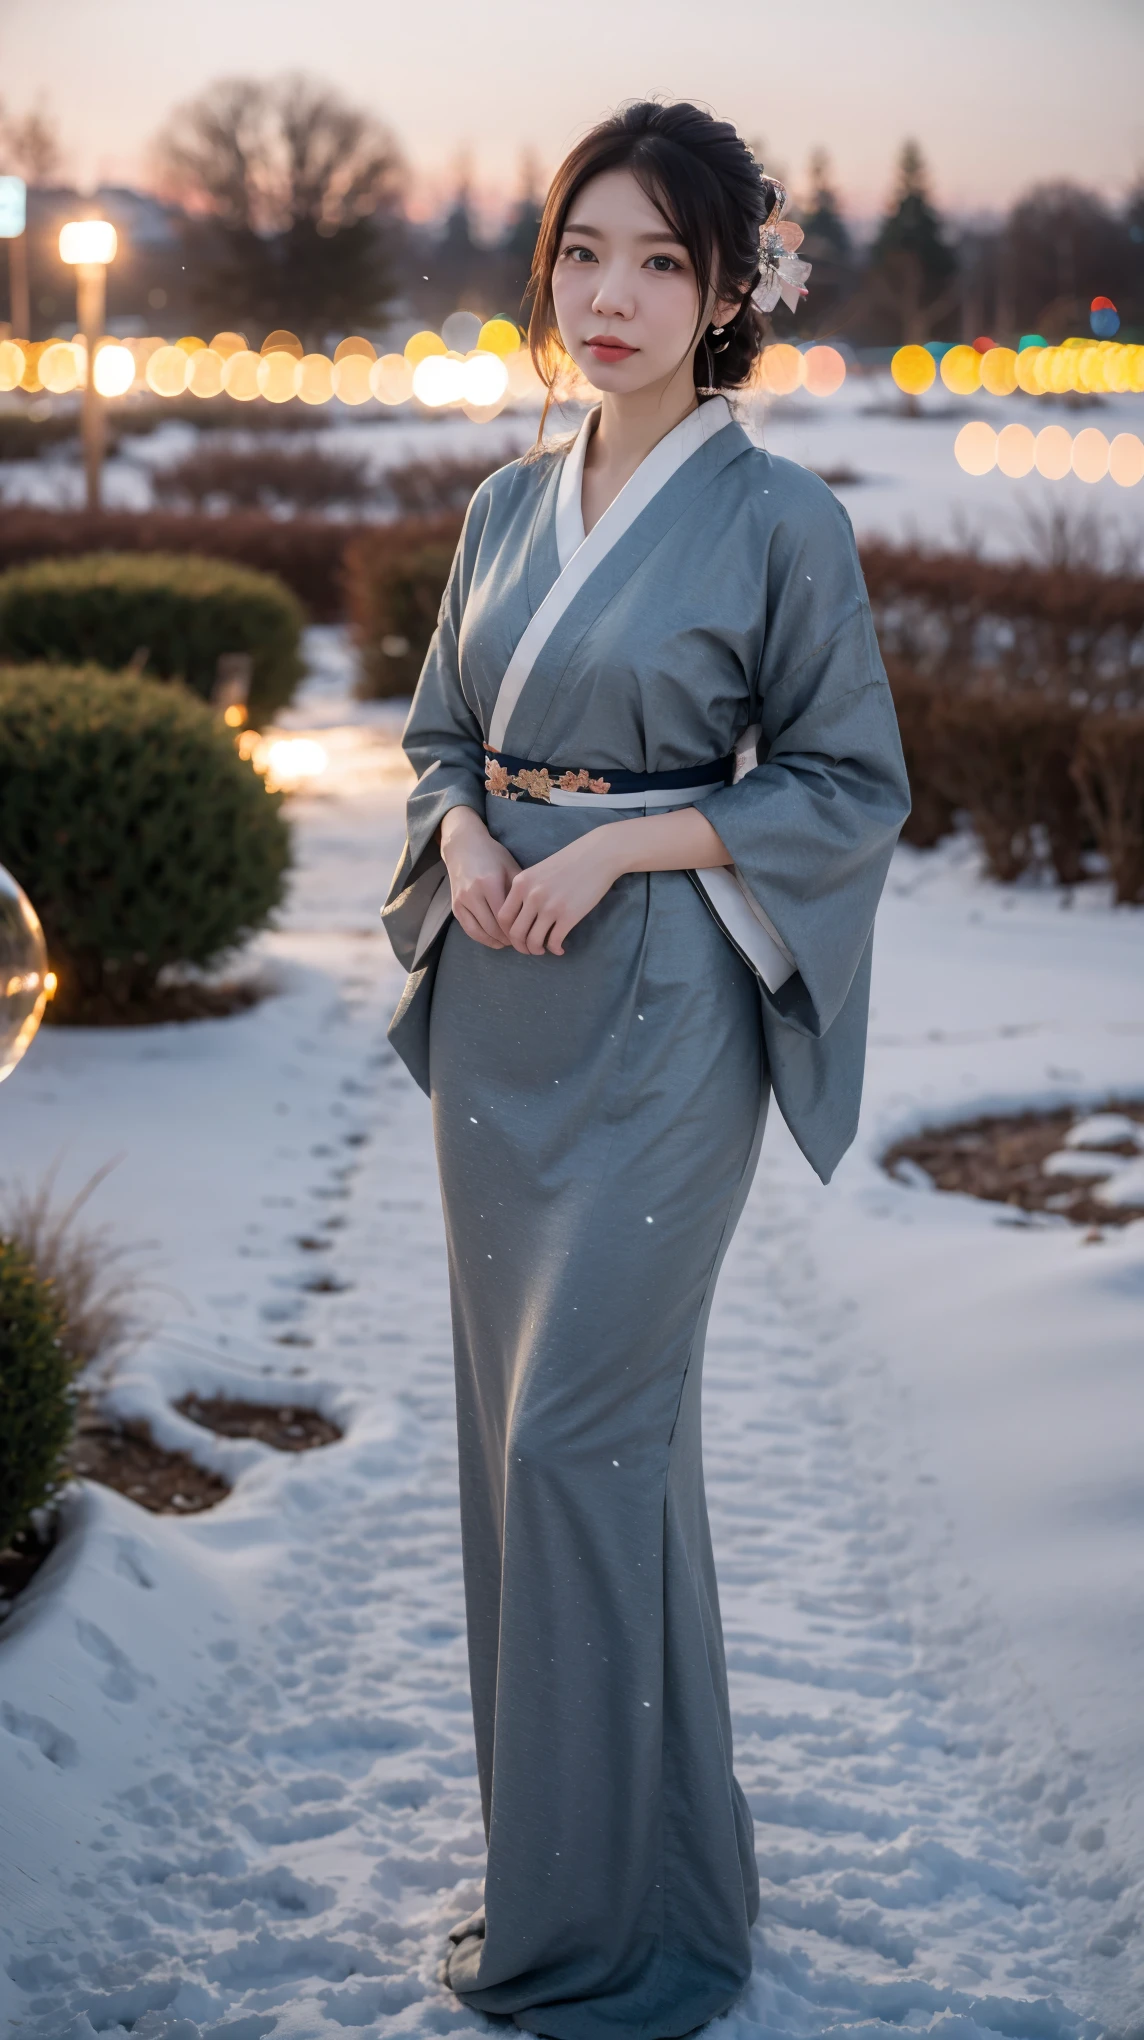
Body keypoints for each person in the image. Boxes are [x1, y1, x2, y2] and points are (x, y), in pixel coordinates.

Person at [382, 99, 910, 2040]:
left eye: (659, 262)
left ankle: (612, 1934)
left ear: (727, 296)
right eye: (580, 253)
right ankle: (607, 1866)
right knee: (524, 1458)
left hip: (658, 1010)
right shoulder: (500, 511)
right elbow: (445, 738)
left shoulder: (780, 522)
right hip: (499, 1015)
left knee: (570, 1443)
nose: (606, 297)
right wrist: (460, 841)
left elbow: (846, 784)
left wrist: (614, 843)